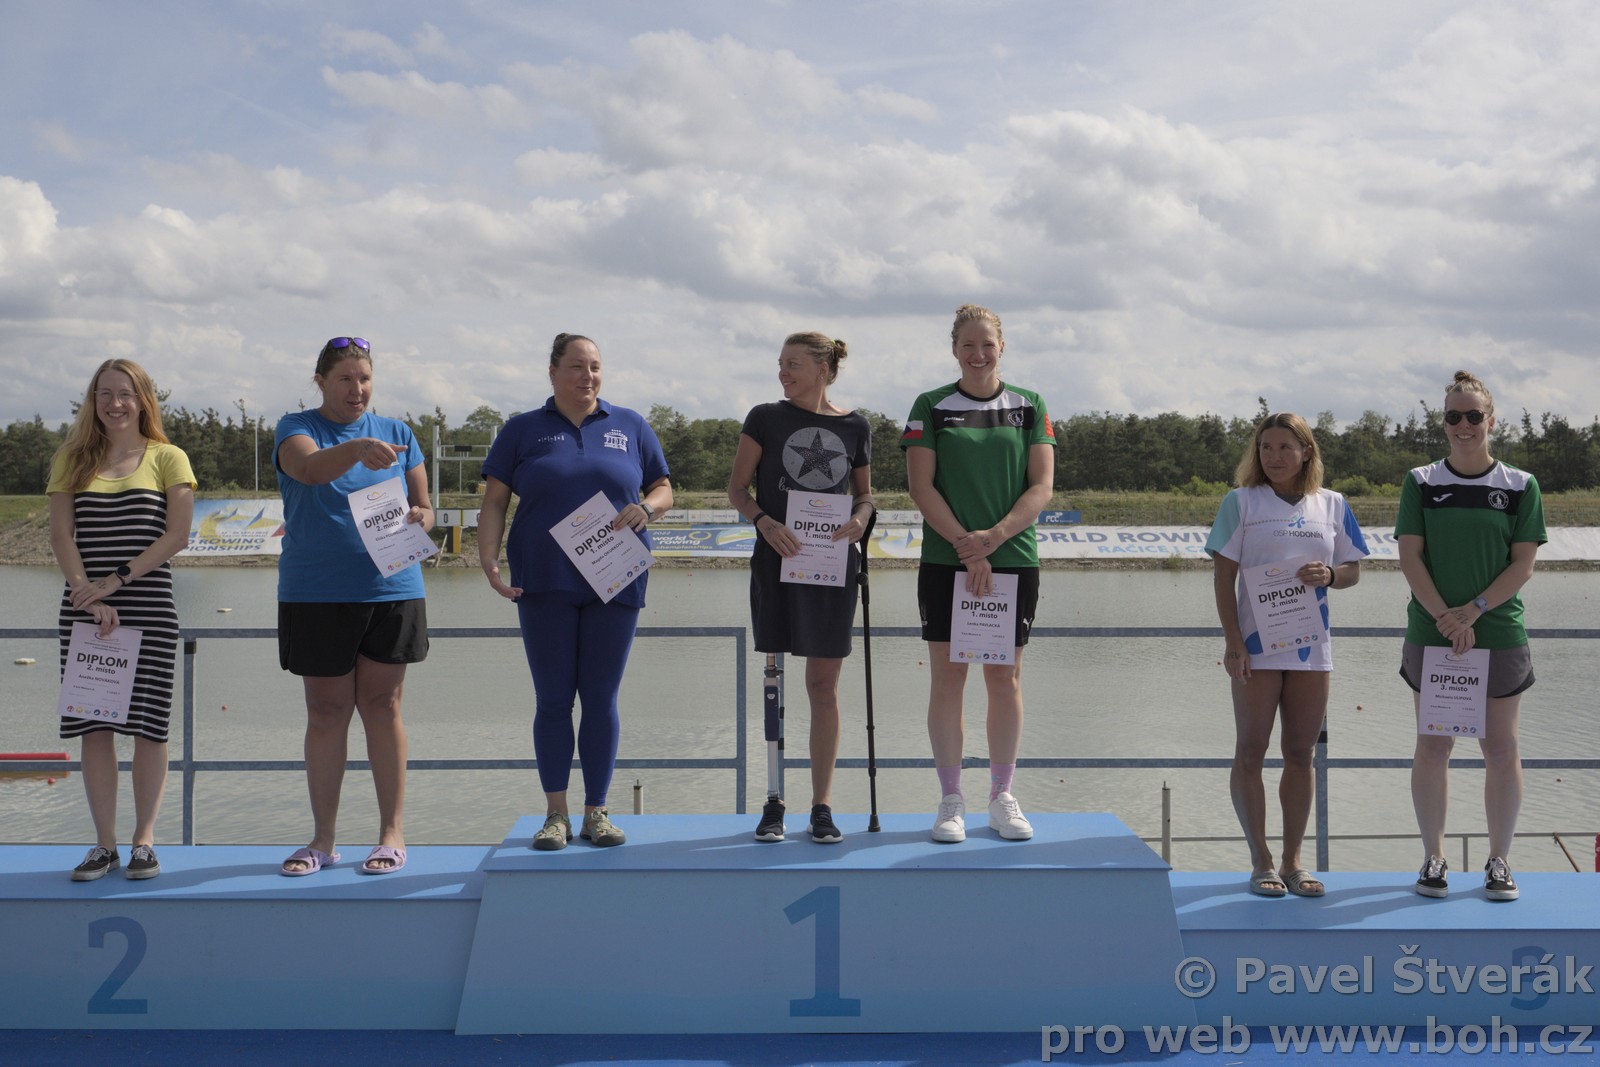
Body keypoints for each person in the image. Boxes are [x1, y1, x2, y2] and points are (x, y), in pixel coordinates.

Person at [479, 333, 672, 851]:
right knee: (553, 700)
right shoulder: (522, 429)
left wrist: (647, 509)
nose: (588, 376)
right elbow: (494, 501)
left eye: (595, 367)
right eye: (576, 367)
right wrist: (488, 560)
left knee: (602, 699)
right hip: (544, 579)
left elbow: (663, 488)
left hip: (616, 576)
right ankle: (556, 815)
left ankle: (597, 812)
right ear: (552, 372)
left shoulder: (630, 425)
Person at [274, 336, 433, 876]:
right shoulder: (296, 428)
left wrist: (421, 517)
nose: (356, 389)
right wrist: (358, 449)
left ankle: (391, 834)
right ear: (320, 382)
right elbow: (310, 470)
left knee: (384, 707)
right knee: (326, 712)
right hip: (316, 592)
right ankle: (322, 840)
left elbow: (425, 506)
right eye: (344, 378)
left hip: (392, 589)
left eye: (364, 378)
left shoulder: (400, 433)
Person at [901, 304, 1055, 843]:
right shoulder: (929, 406)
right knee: (949, 678)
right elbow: (921, 487)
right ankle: (951, 800)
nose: (978, 354)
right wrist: (968, 549)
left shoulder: (1029, 405)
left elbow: (1041, 487)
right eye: (968, 345)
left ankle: (1001, 797)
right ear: (954, 350)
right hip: (948, 560)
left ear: (1002, 347)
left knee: (1003, 678)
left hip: (1012, 558)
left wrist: (995, 537)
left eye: (987, 344)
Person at [1206, 413, 1368, 898]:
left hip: (1310, 648)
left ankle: (1294, 861)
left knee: (1301, 753)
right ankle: (1261, 860)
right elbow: (1223, 577)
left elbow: (1353, 569)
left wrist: (1331, 576)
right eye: (1266, 447)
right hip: (1255, 649)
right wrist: (1233, 641)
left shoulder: (1333, 504)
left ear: (1306, 452)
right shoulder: (1241, 501)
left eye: (1285, 447)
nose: (1274, 456)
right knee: (1250, 750)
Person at [48, 359, 196, 881]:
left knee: (150, 729)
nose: (115, 403)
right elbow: (61, 536)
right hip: (87, 610)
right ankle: (104, 846)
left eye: (126, 393)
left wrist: (116, 581)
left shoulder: (168, 457)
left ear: (143, 400)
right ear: (92, 401)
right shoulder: (71, 459)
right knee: (95, 728)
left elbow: (177, 535)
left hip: (147, 607)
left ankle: (143, 842)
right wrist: (88, 596)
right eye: (105, 393)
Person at [1399, 371, 1544, 901]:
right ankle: (1434, 859)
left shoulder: (1520, 485)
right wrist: (1446, 618)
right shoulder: (1420, 481)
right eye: (1454, 416)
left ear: (1491, 421)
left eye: (1474, 416)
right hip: (1434, 635)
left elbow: (1522, 564)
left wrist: (1474, 612)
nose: (1464, 425)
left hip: (1498, 634)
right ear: (1443, 423)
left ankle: (1499, 862)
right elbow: (1410, 556)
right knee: (1434, 745)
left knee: (1500, 748)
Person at [728, 332, 874, 843]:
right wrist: (763, 521)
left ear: (822, 369)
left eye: (792, 364)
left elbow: (865, 496)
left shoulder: (856, 426)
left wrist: (861, 518)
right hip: (777, 560)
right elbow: (737, 488)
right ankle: (773, 801)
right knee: (773, 679)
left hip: (830, 567)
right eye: (780, 363)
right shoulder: (764, 418)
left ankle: (821, 807)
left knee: (823, 687)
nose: (782, 373)